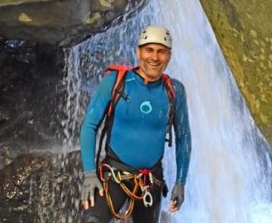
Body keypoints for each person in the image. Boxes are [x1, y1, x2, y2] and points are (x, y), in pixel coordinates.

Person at [79, 25, 191, 223]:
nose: (154, 58)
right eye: (149, 50)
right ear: (138, 52)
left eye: (161, 52)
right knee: (92, 220)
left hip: (150, 181)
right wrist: (89, 173)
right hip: (113, 176)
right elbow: (89, 125)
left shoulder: (175, 91)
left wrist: (180, 182)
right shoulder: (115, 82)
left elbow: (183, 138)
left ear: (169, 56)